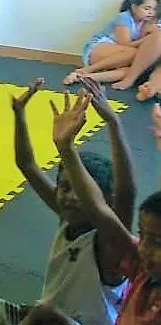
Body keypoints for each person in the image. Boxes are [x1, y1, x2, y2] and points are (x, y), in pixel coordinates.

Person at [0, 77, 133, 325]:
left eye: (81, 192)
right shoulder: (67, 217)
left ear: (102, 200)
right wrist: (19, 114)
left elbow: (126, 194)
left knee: (44, 313)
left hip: (59, 320)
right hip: (40, 317)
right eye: (65, 188)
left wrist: (113, 123)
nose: (70, 198)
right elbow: (27, 164)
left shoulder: (111, 245)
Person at [50, 91, 161, 325]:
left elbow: (123, 197)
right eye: (143, 237)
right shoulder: (142, 271)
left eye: (157, 242)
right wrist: (66, 148)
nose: (145, 248)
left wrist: (113, 123)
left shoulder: (110, 251)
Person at [64, 0, 161, 87]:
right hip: (99, 47)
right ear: (134, 7)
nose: (151, 13)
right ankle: (87, 69)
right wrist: (149, 38)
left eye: (154, 9)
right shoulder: (124, 17)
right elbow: (125, 44)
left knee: (134, 69)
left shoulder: (146, 22)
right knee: (137, 55)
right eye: (147, 8)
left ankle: (85, 78)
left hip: (120, 55)